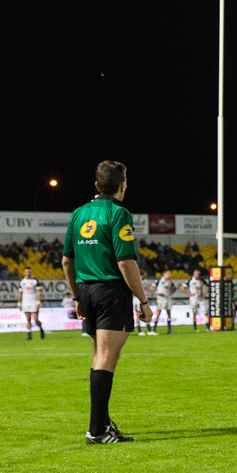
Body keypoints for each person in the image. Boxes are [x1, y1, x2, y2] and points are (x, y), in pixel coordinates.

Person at [61, 159, 152, 444]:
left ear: (97, 185)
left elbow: (67, 261)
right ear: (122, 185)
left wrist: (77, 296)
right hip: (111, 292)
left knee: (99, 357)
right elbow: (126, 262)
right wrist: (143, 300)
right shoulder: (118, 213)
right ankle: (97, 431)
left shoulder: (78, 213)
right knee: (106, 359)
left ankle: (102, 422)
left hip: (87, 291)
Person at [18, 267, 46, 340]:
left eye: (29, 272)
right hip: (25, 302)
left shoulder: (35, 281)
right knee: (28, 319)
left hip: (33, 301)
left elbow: (39, 292)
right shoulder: (22, 282)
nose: (28, 273)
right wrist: (19, 303)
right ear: (24, 272)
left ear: (31, 272)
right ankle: (29, 335)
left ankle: (41, 328)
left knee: (36, 319)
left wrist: (38, 301)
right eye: (26, 272)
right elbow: (20, 293)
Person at [151, 270, 175, 334]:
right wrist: (158, 293)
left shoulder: (170, 282)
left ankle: (169, 330)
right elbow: (152, 288)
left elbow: (175, 288)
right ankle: (154, 329)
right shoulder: (159, 280)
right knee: (158, 313)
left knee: (169, 313)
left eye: (170, 274)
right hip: (161, 299)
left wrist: (171, 293)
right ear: (164, 274)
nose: (169, 275)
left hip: (168, 298)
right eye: (168, 273)